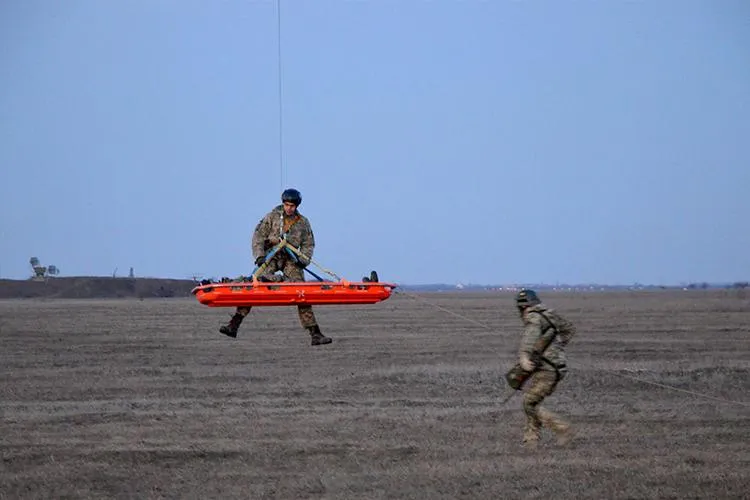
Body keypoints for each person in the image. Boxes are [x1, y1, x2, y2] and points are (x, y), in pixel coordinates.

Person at [219, 188, 333, 346]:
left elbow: (308, 244)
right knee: (255, 284)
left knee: (301, 291)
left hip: (291, 259)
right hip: (271, 255)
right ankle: (234, 325)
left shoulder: (303, 222)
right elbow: (258, 236)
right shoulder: (271, 217)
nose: (289, 208)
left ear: (297, 206)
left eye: (292, 205)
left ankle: (315, 334)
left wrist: (303, 260)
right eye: (286, 205)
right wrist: (259, 256)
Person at [513, 289, 575, 448]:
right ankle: (531, 439)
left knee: (529, 403)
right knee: (532, 399)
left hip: (548, 369)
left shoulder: (533, 318)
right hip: (555, 367)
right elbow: (569, 329)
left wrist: (524, 358)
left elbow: (529, 339)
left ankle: (562, 428)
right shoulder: (549, 314)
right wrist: (557, 347)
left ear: (524, 307)